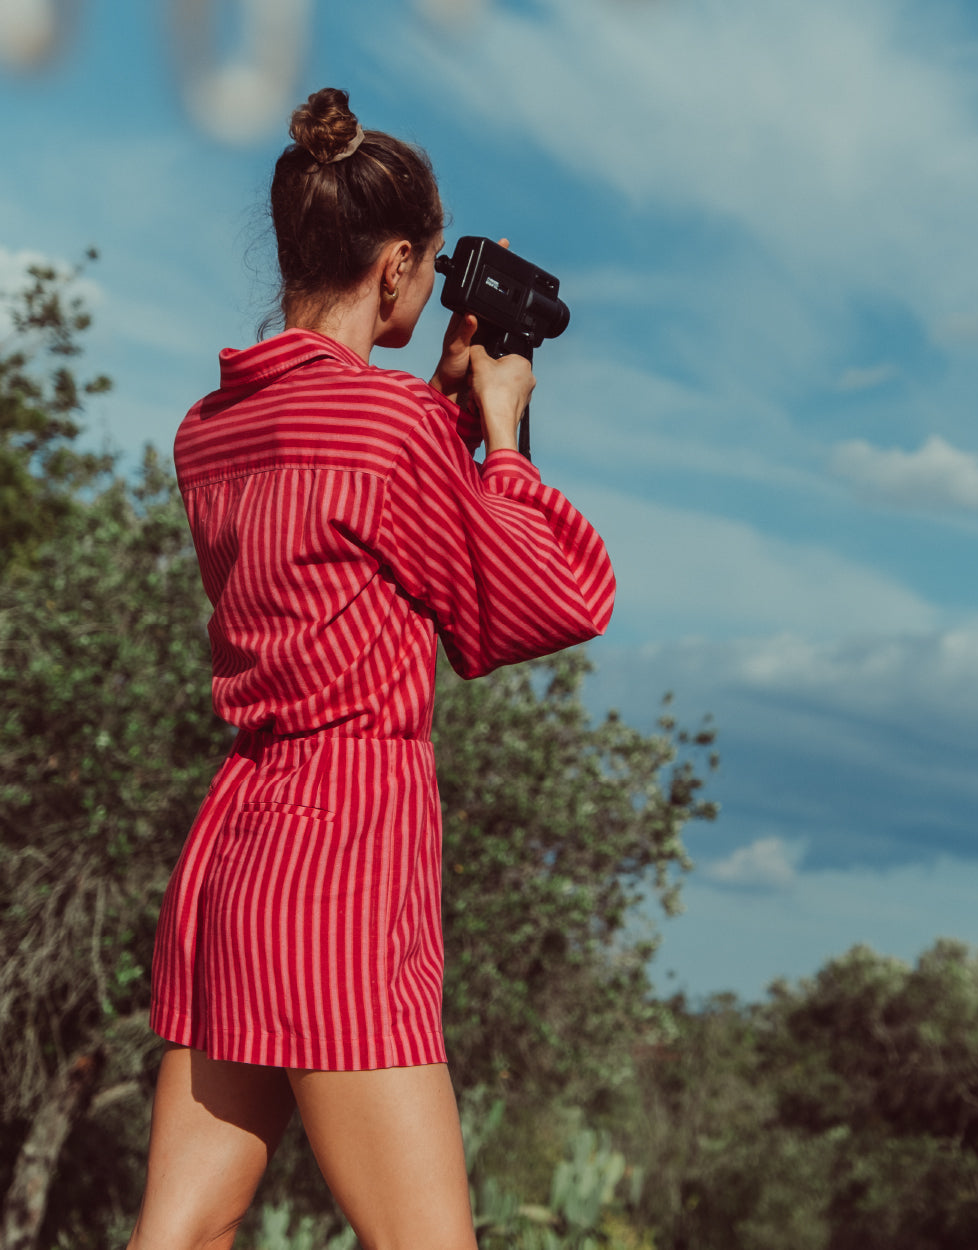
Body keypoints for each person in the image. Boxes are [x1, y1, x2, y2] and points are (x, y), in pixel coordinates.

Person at [127, 87, 615, 1250]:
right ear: (396, 264)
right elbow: (541, 602)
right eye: (429, 265)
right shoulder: (392, 432)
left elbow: (344, 526)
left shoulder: (211, 430)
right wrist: (498, 434)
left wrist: (435, 412)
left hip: (235, 851)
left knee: (179, 1233)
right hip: (344, 853)